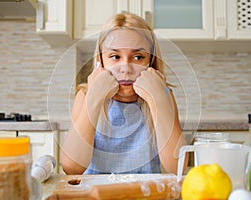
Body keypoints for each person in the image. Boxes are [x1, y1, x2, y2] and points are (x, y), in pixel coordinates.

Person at [60, 13, 188, 174]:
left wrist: (158, 101)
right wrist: (94, 98)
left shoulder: (164, 96)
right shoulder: (85, 95)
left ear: (150, 61)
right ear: (101, 61)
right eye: (115, 56)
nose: (126, 68)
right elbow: (72, 168)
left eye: (138, 57)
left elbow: (178, 167)